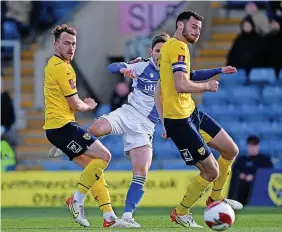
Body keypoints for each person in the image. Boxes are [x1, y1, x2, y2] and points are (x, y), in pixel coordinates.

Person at [50, 30, 240, 227]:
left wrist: (218, 69)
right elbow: (112, 67)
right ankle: (65, 143)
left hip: (146, 126)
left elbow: (195, 74)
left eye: (164, 51)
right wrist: (124, 70)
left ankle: (127, 216)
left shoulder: (172, 71)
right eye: (157, 50)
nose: (160, 54)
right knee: (96, 128)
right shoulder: (142, 65)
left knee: (141, 172)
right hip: (128, 113)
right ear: (151, 51)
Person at [155, 11, 243, 228]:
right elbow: (181, 85)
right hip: (179, 120)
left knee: (231, 150)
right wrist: (208, 86)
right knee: (211, 171)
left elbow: (189, 75)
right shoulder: (177, 47)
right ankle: (181, 212)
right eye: (193, 27)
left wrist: (217, 71)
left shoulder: (177, 47)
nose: (197, 32)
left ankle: (215, 199)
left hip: (192, 113)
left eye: (199, 29)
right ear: (180, 25)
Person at [43, 24, 129, 228]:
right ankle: (77, 199)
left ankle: (109, 218)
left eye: (73, 44)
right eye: (66, 43)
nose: (71, 47)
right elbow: (76, 104)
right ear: (56, 44)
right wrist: (88, 104)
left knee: (94, 168)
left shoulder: (54, 65)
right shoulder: (62, 68)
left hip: (58, 129)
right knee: (105, 156)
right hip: (62, 128)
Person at [232, 136, 273, 205]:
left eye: (254, 145)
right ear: (247, 146)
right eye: (251, 145)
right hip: (242, 187)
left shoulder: (265, 160)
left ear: (258, 146)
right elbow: (234, 171)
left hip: (259, 187)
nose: (253, 148)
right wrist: (240, 175)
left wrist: (255, 177)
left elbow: (269, 173)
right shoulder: (241, 159)